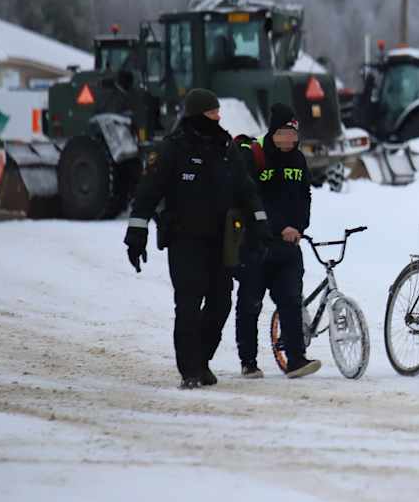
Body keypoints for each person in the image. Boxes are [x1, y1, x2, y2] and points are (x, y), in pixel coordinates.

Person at [124, 88, 271, 390]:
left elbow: (246, 189)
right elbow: (147, 193)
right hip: (184, 240)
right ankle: (189, 370)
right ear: (197, 115)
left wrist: (260, 224)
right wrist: (136, 233)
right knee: (189, 305)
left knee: (221, 304)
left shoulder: (225, 146)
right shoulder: (172, 149)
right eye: (212, 112)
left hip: (221, 242)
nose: (218, 117)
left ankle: (202, 360)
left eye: (218, 112)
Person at [234, 103, 322, 379]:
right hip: (255, 245)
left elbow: (304, 196)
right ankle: (248, 362)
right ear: (273, 132)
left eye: (293, 134)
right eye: (283, 133)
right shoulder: (253, 156)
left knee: (291, 301)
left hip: (288, 245)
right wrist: (278, 227)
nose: (288, 139)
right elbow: (250, 200)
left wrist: (298, 226)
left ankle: (296, 360)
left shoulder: (298, 160)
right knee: (250, 303)